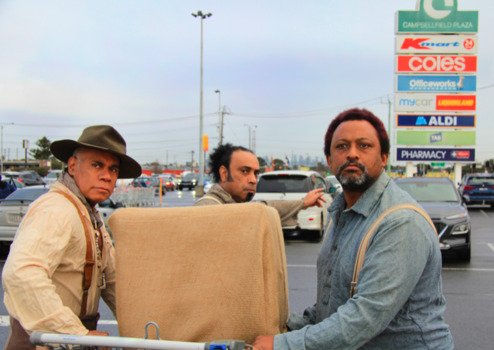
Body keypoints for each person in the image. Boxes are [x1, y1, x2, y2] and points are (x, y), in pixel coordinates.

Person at [253, 108, 454, 349]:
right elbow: (335, 300)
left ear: (384, 157)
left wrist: (283, 344)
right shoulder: (341, 214)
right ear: (329, 159)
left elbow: (365, 316)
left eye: (365, 145)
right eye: (342, 147)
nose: (352, 154)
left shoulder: (400, 221)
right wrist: (289, 327)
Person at [2, 125, 141, 349]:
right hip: (42, 340)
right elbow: (21, 274)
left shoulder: (89, 214)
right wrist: (74, 333)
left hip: (66, 338)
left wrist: (141, 329)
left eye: (113, 169)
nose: (107, 176)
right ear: (73, 166)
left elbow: (114, 282)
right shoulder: (56, 208)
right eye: (97, 165)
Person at [194, 143, 326, 226]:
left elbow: (266, 208)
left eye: (256, 173)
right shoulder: (206, 210)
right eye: (244, 171)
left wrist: (303, 203)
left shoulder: (236, 205)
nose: (253, 180)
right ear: (223, 173)